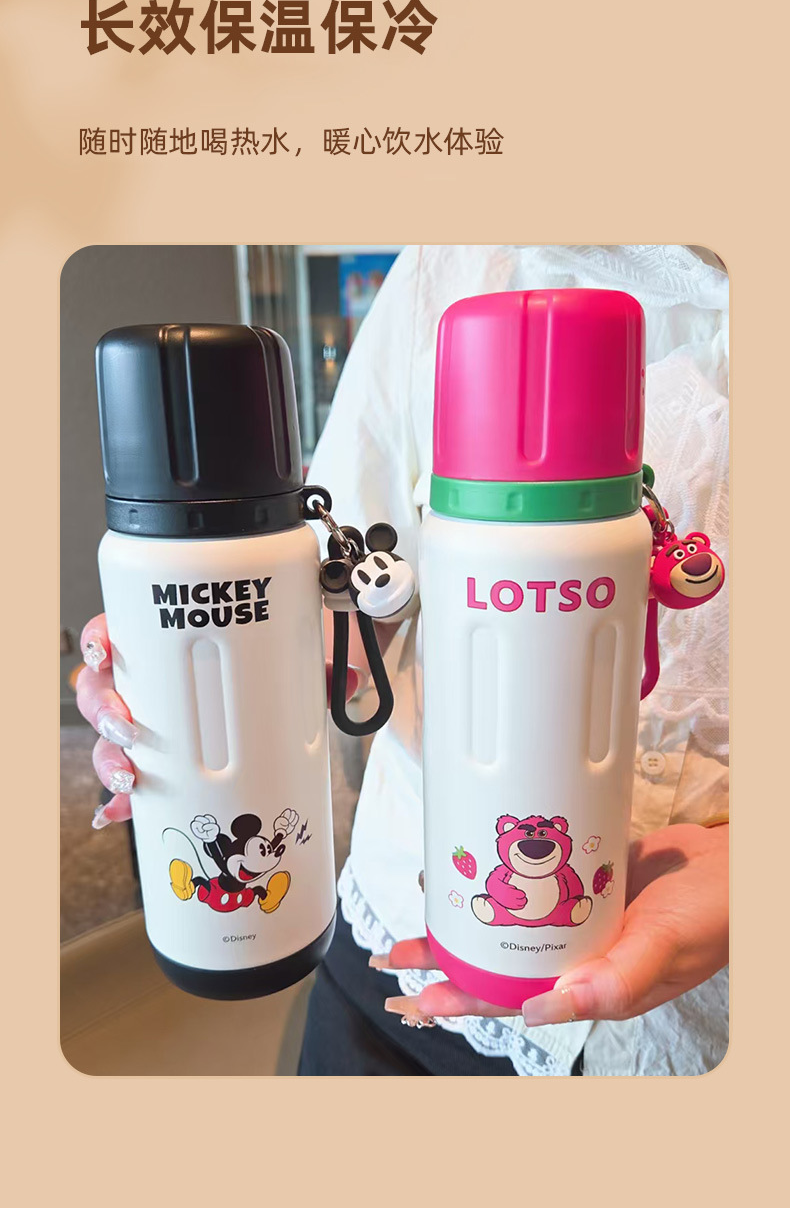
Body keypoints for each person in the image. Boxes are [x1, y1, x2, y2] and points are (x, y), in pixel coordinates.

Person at [78, 244, 729, 1076]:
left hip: (684, 1028)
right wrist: (196, 677)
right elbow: (347, 596)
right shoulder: (455, 260)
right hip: (399, 931)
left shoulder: (609, 531)